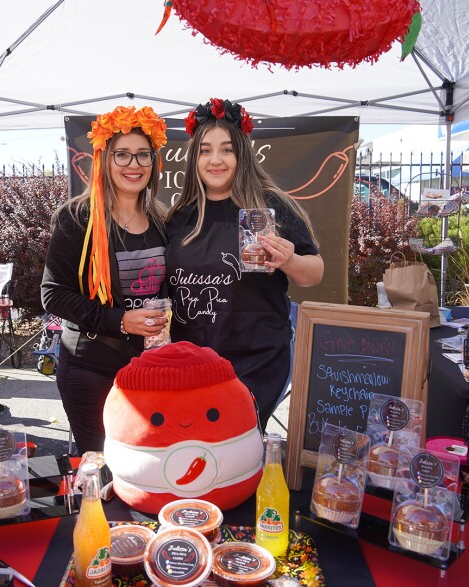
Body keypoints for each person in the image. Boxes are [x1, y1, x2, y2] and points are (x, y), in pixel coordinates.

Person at [166, 98, 325, 431]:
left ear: (242, 154)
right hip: (194, 361)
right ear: (194, 158)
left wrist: (290, 260)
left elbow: (314, 273)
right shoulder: (181, 216)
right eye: (205, 150)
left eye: (226, 149)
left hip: (256, 359)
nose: (216, 160)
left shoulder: (269, 205)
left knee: (237, 447)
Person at [41, 106, 169, 454]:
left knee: (143, 464)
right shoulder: (78, 218)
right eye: (122, 155)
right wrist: (120, 321)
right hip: (90, 370)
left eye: (143, 155)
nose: (134, 164)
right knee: (100, 465)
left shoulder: (161, 220)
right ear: (104, 160)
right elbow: (52, 295)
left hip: (147, 371)